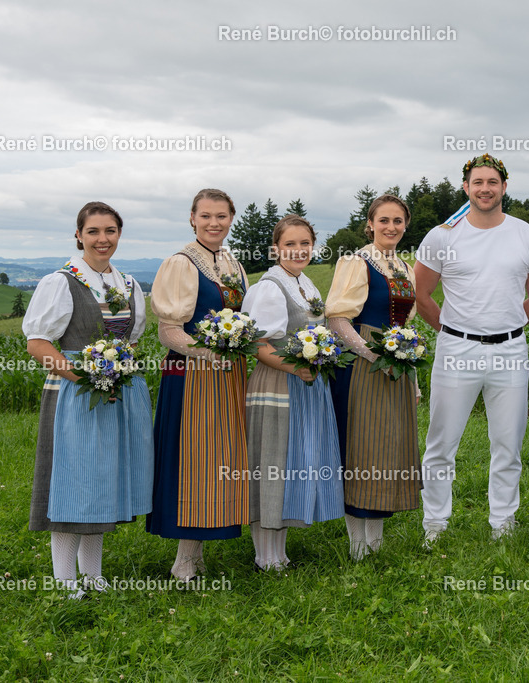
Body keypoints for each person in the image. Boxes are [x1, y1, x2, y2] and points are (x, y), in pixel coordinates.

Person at [415, 154, 529, 544]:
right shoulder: (443, 235)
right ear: (466, 188)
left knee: (508, 445)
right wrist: (454, 330)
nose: (485, 189)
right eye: (478, 182)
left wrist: (503, 325)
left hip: (510, 351)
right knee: (441, 443)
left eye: (493, 182)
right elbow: (421, 293)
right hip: (456, 348)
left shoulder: (527, 234)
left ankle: (503, 524)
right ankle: (435, 526)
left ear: (504, 187)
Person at [24, 201, 153, 597]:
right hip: (75, 392)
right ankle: (65, 583)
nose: (102, 239)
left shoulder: (128, 284)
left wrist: (115, 373)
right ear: (79, 235)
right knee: (74, 481)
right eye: (93, 231)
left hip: (117, 391)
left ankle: (93, 575)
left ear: (118, 235)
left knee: (102, 482)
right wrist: (83, 375)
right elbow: (38, 343)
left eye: (110, 231)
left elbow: (130, 341)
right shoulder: (60, 282)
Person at [146, 188, 250, 580]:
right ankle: (183, 559)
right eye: (205, 216)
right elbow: (169, 331)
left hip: (227, 373)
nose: (213, 223)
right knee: (193, 459)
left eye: (221, 216)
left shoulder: (232, 263)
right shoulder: (180, 263)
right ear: (192, 218)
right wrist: (209, 354)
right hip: (190, 375)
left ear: (231, 219)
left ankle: (197, 552)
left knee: (218, 460)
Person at [242, 215, 344, 570]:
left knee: (291, 466)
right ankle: (264, 556)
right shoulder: (270, 287)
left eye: (305, 244)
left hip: (304, 385)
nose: (298, 250)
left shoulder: (306, 285)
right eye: (290, 244)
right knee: (271, 465)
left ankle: (279, 553)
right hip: (277, 384)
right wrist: (296, 368)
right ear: (276, 248)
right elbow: (257, 344)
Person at [327, 195, 422, 560]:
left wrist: (410, 376)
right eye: (384, 220)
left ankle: (376, 542)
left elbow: (406, 325)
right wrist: (369, 353)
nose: (391, 227)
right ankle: (356, 545)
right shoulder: (356, 261)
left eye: (398, 221)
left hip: (396, 363)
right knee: (362, 451)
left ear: (405, 225)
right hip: (360, 363)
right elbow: (337, 319)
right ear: (370, 223)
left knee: (388, 453)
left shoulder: (403, 267)